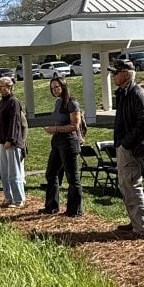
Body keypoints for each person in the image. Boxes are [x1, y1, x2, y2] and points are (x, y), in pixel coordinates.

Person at [110, 58, 144, 238]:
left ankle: (142, 228)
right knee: (126, 185)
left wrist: (126, 142)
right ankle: (135, 221)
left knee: (133, 185)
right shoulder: (124, 93)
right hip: (125, 145)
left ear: (126, 75)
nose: (112, 76)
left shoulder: (137, 93)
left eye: (116, 72)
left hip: (132, 147)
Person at [42, 77, 83, 217]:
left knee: (72, 177)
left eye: (57, 87)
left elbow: (74, 126)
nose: (55, 90)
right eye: (52, 88)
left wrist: (56, 129)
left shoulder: (72, 103)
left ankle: (75, 210)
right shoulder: (58, 102)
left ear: (63, 87)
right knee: (51, 173)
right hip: (57, 142)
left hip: (69, 143)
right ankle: (51, 206)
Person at [0, 76, 25, 208]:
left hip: (11, 142)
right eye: (0, 87)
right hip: (2, 141)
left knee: (14, 171)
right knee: (5, 172)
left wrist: (10, 139)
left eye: (4, 87)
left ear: (10, 87)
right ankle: (8, 197)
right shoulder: (1, 103)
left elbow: (15, 123)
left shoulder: (14, 102)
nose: (1, 89)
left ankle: (18, 199)